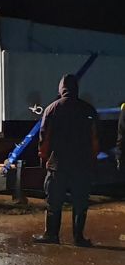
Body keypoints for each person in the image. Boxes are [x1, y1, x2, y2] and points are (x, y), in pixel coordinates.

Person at [33, 74, 99, 247]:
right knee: (80, 203)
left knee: (54, 202)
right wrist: (92, 160)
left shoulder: (52, 109)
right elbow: (94, 139)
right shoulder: (88, 110)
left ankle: (52, 235)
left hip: (58, 165)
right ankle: (79, 237)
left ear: (61, 88)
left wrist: (44, 158)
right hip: (82, 166)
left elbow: (44, 138)